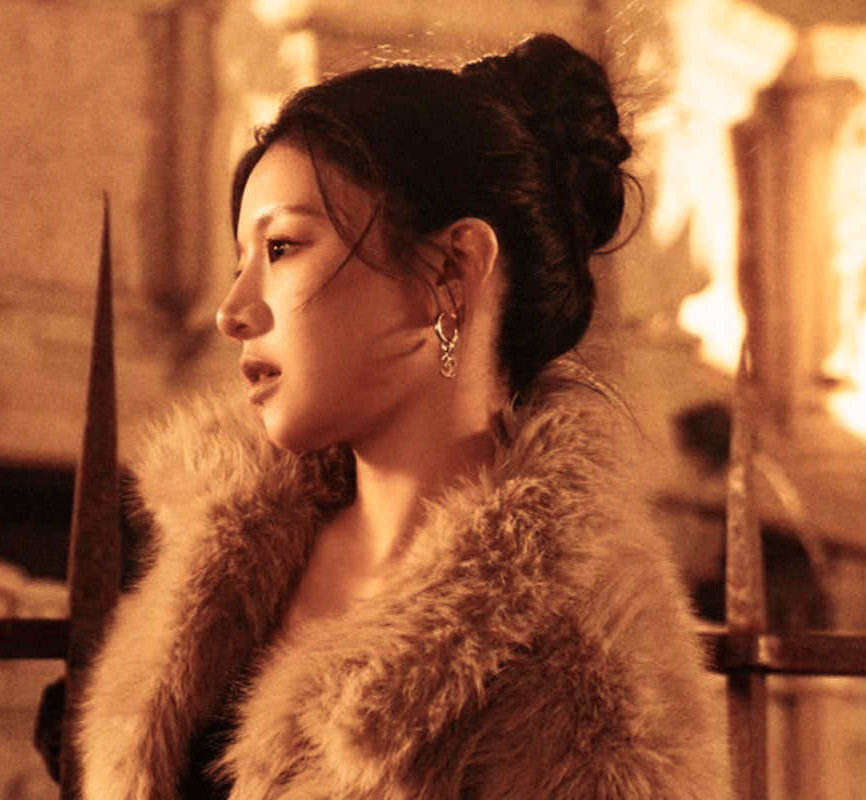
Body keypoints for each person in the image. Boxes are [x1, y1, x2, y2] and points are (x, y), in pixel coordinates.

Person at [75, 33, 728, 799]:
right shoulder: (218, 561)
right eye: (239, 262)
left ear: (449, 273)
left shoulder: (590, 673)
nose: (233, 311)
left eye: (282, 248)